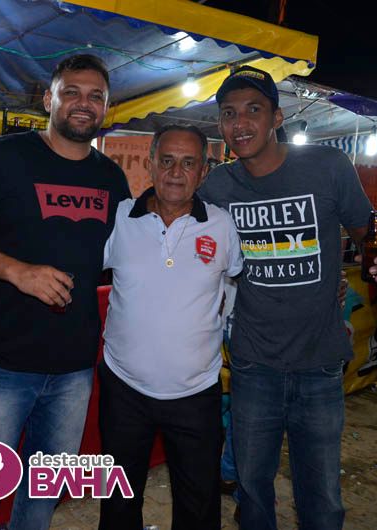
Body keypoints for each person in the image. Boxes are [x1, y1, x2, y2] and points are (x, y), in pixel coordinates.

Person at [200, 66, 377, 530]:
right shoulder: (218, 187)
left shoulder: (327, 166)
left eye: (254, 110)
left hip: (320, 364)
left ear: (277, 117)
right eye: (229, 113)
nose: (240, 123)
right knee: (253, 492)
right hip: (254, 364)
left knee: (322, 499)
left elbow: (370, 237)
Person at [0, 54, 131, 530]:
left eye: (95, 96)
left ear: (106, 108)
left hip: (74, 367)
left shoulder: (111, 178)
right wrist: (17, 271)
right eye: (72, 92)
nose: (83, 103)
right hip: (1, 363)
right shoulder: (4, 157)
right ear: (49, 99)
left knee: (43, 494)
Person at [98, 124, 244, 530]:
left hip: (196, 392)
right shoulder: (120, 217)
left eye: (188, 163)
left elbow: (235, 282)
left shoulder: (222, 225)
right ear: (150, 164)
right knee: (118, 502)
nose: (176, 173)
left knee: (199, 507)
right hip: (124, 388)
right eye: (166, 161)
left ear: (203, 172)